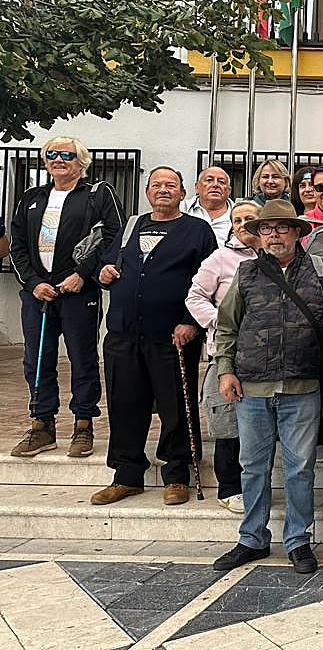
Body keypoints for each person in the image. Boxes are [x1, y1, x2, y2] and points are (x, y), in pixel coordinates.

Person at [211, 200, 323, 575]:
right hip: (252, 387)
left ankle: (298, 540)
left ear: (297, 232)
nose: (274, 235)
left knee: (300, 468)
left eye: (282, 227)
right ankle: (252, 538)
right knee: (252, 467)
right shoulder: (246, 273)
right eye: (266, 228)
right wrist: (225, 370)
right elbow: (227, 326)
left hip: (303, 385)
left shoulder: (319, 270)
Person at [91, 167, 217, 507]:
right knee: (124, 405)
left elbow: (209, 282)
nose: (164, 190)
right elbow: (105, 265)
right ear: (147, 191)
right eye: (157, 185)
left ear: (182, 194)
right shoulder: (131, 226)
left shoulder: (197, 230)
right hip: (123, 333)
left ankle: (176, 474)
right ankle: (126, 475)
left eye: (171, 185)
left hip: (173, 335)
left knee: (176, 406)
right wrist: (103, 272)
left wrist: (191, 321)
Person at [9, 136, 123, 458]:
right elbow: (17, 244)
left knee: (82, 358)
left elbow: (113, 237)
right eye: (52, 154)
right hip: (38, 295)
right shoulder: (32, 197)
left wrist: (83, 274)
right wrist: (33, 283)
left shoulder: (98, 194)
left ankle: (83, 425)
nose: (58, 159)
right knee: (37, 360)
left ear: (82, 162)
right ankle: (42, 425)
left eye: (67, 155)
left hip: (78, 293)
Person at [185, 200, 261, 512]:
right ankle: (229, 487)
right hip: (228, 353)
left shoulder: (275, 256)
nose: (243, 225)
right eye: (237, 220)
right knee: (228, 421)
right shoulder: (220, 258)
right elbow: (195, 296)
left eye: (249, 219)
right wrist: (221, 319)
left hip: (266, 355)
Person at [185, 166, 234, 244]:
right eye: (209, 180)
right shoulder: (180, 209)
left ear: (229, 191)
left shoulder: (240, 214)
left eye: (221, 182)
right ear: (197, 187)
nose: (215, 185)